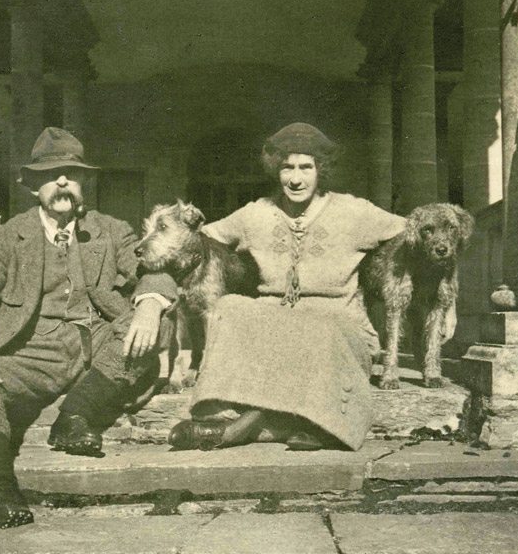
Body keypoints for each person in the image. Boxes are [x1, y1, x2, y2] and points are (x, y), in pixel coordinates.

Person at [0, 127, 177, 533]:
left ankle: (75, 417)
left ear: (84, 184)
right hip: (30, 355)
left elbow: (153, 271)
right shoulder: (6, 238)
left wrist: (150, 304)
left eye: (72, 173)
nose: (62, 181)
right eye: (50, 174)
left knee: (156, 322)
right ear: (33, 186)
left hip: (96, 348)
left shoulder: (111, 231)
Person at [168, 122, 405, 452]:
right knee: (230, 306)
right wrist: (154, 291)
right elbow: (194, 239)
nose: (296, 178)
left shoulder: (355, 211)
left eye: (306, 167)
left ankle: (248, 425)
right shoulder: (255, 214)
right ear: (275, 170)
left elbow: (416, 232)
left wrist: (440, 296)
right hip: (275, 330)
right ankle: (255, 420)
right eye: (287, 167)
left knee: (321, 328)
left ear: (321, 169)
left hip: (338, 333)